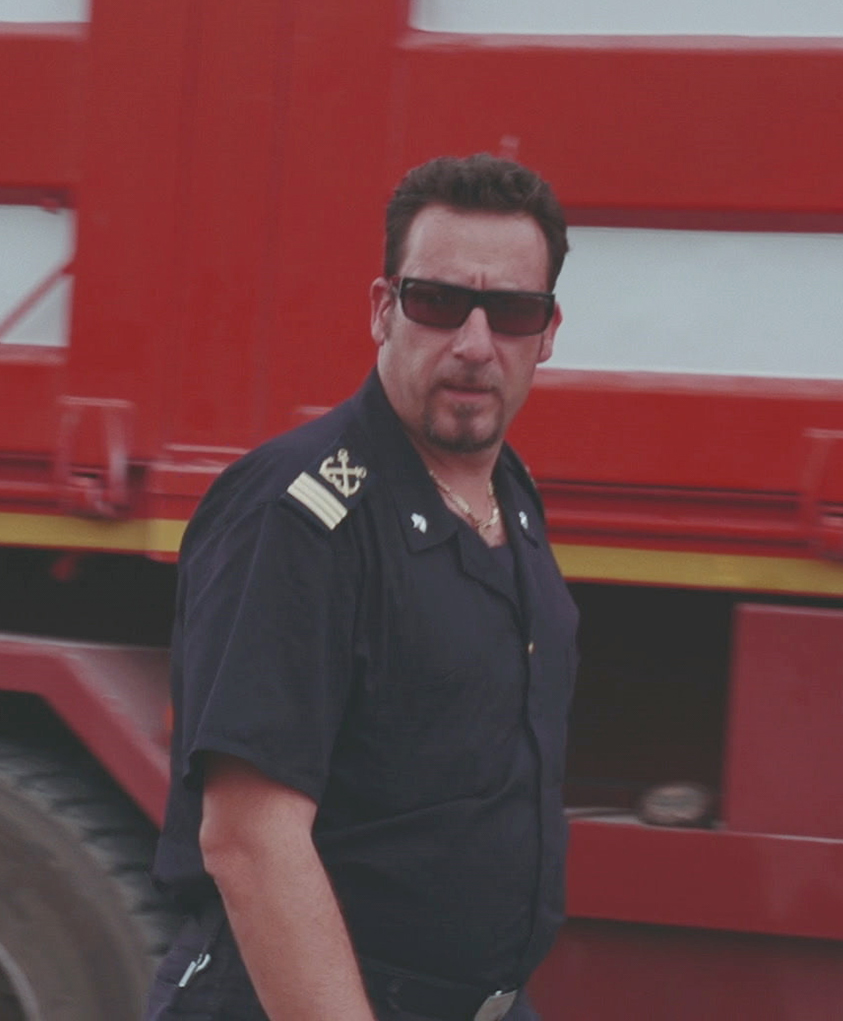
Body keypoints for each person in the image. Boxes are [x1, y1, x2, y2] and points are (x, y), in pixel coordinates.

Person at [145, 154, 580, 1021]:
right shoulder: (298, 516)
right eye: (439, 302)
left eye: (512, 312)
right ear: (383, 309)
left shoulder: (511, 495)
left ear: (548, 331)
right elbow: (249, 838)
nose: (474, 344)